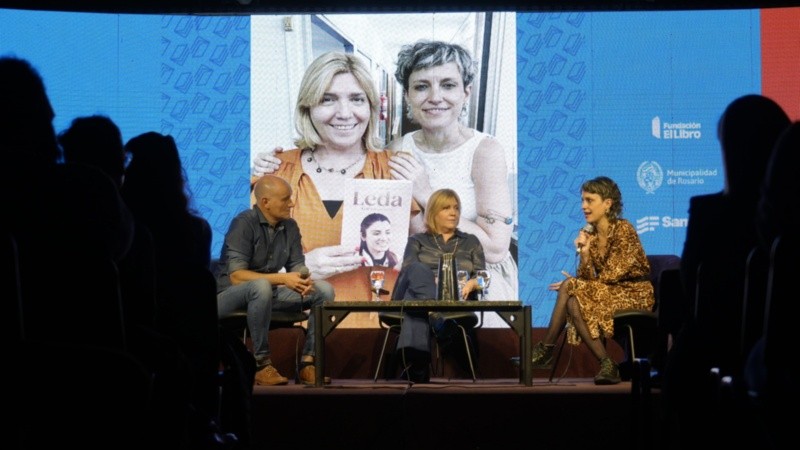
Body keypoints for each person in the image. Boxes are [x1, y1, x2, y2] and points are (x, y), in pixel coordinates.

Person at [253, 51, 417, 327]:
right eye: (327, 99)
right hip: (294, 336)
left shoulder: (396, 170)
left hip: (381, 338)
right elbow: (242, 273)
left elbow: (430, 255)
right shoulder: (276, 172)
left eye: (357, 99)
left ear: (371, 108)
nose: (344, 113)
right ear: (308, 107)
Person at [386, 40, 516, 327]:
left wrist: (428, 196)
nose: (435, 97)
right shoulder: (396, 150)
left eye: (447, 85)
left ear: (466, 92)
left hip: (478, 282)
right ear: (407, 95)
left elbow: (495, 248)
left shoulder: (485, 151)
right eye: (421, 86)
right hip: (416, 282)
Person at [524, 176, 653, 385]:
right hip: (607, 293)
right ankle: (607, 363)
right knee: (573, 300)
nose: (584, 206)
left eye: (590, 200)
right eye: (582, 200)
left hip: (632, 293)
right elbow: (589, 279)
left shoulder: (623, 230)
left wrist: (578, 284)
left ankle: (546, 349)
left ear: (607, 203)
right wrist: (584, 253)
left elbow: (612, 274)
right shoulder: (590, 236)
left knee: (570, 287)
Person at [216, 174, 335, 386]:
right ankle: (260, 364)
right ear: (265, 203)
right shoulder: (243, 224)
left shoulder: (290, 226)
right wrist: (282, 278)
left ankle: (308, 363)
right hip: (228, 297)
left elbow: (297, 265)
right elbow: (236, 276)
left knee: (324, 290)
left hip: (268, 294)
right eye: (286, 199)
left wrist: (303, 277)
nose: (291, 203)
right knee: (261, 286)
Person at [392, 188, 485, 383]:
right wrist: (436, 280)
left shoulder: (470, 242)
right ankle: (439, 321)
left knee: (416, 311)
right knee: (418, 270)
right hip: (411, 291)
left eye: (457, 208)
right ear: (433, 212)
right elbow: (408, 272)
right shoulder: (417, 240)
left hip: (452, 299)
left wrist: (473, 282)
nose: (454, 213)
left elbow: (483, 276)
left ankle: (417, 369)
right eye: (446, 208)